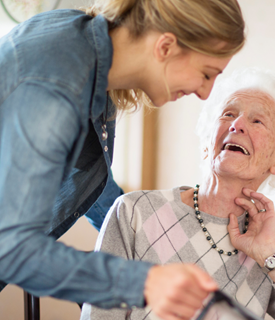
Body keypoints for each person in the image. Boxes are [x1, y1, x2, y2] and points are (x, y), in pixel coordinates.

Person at [0, 0, 245, 318]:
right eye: (206, 73)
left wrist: (150, 246)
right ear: (166, 46)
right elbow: (11, 248)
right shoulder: (58, 84)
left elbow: (89, 179)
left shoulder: (90, 56)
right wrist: (146, 282)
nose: (205, 93)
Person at [80, 68, 275, 320]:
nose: (237, 125)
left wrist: (270, 256)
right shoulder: (134, 210)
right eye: (228, 114)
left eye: (257, 121)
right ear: (207, 143)